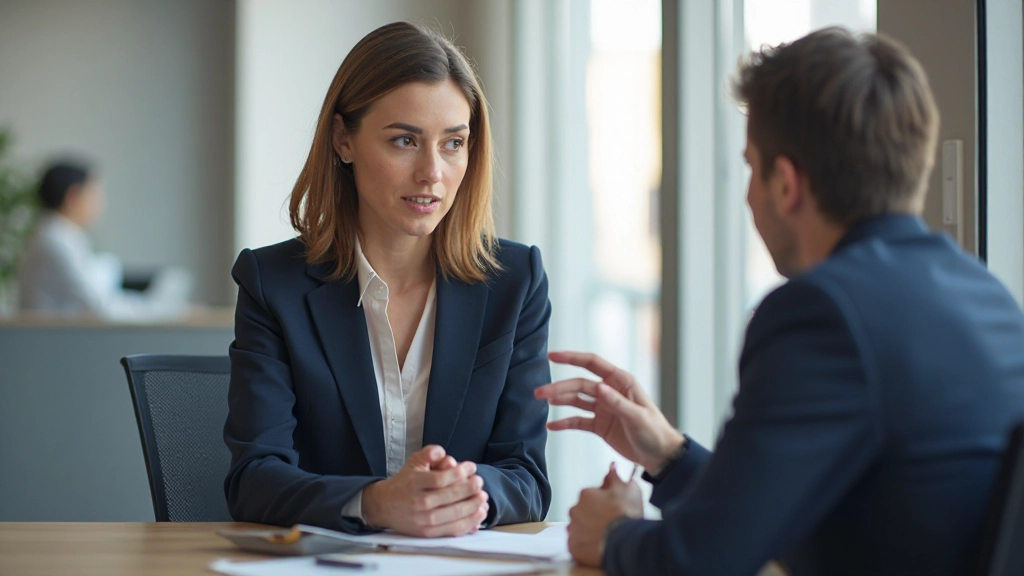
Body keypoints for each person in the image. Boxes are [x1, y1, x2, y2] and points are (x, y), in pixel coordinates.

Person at [535, 27, 1024, 575]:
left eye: (751, 167)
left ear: (786, 184)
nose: (746, 196)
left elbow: (699, 561)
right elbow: (781, 519)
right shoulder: (990, 298)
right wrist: (669, 455)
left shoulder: (823, 313)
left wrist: (613, 534)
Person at [224, 22, 552, 537]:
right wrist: (374, 503)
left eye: (453, 143)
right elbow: (254, 481)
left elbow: (526, 479)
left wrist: (459, 495)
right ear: (343, 140)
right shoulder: (273, 285)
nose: (432, 173)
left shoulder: (515, 283)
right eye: (405, 140)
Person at [16, 160, 191, 321]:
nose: (101, 204)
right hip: (49, 343)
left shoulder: (61, 237)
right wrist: (169, 311)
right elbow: (100, 305)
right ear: (73, 196)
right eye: (95, 194)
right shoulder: (54, 241)